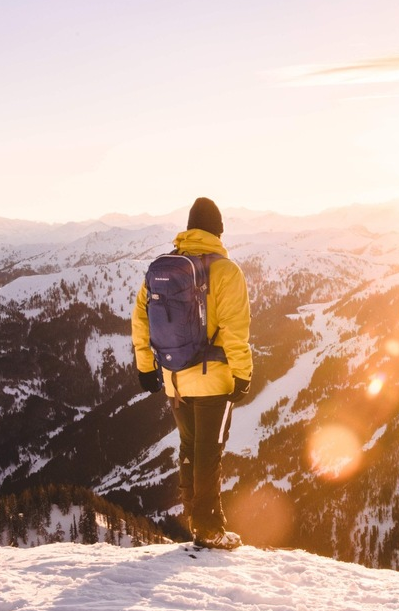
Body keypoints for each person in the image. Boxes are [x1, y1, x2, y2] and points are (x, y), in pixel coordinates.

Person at [131, 197, 253, 549]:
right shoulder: (226, 271)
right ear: (218, 230)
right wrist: (242, 375)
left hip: (174, 377)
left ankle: (196, 521)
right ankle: (210, 527)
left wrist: (145, 368)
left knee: (189, 448)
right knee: (209, 452)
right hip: (213, 379)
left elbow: (140, 319)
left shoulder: (165, 268)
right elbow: (234, 330)